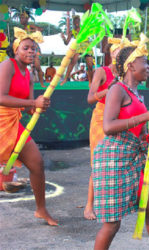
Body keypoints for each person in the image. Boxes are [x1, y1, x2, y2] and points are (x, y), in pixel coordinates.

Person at [92, 34, 149, 249]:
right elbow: (108, 126)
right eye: (144, 61)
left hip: (133, 160)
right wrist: (146, 117)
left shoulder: (137, 94)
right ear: (131, 65)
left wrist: (148, 135)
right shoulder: (117, 89)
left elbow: (138, 129)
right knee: (112, 224)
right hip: (114, 159)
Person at [0, 27, 57, 226]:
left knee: (37, 164)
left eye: (34, 49)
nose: (31, 52)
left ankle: (41, 209)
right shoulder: (8, 65)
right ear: (16, 50)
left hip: (14, 123)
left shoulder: (30, 74)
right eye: (26, 48)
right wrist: (33, 104)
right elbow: (1, 97)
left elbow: (28, 106)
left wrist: (38, 106)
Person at [83, 38, 120, 220]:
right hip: (101, 119)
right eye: (116, 51)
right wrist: (108, 91)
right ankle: (89, 206)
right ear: (111, 54)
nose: (119, 54)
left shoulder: (128, 73)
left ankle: (112, 201)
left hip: (119, 119)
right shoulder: (102, 71)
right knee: (97, 162)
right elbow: (90, 98)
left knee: (116, 162)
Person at [60, 12, 93, 85]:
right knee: (73, 61)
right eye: (75, 21)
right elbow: (66, 43)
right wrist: (63, 38)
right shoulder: (72, 32)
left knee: (90, 65)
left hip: (87, 45)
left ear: (79, 21)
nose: (76, 22)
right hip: (78, 46)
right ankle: (66, 78)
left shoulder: (84, 28)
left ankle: (91, 82)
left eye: (78, 21)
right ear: (73, 22)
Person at [19, 10, 45, 88]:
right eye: (20, 18)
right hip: (26, 49)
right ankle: (23, 83)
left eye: (22, 18)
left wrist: (31, 32)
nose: (21, 19)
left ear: (27, 19)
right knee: (21, 66)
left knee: (37, 67)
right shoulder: (22, 29)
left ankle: (41, 83)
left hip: (34, 48)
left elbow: (40, 29)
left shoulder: (29, 26)